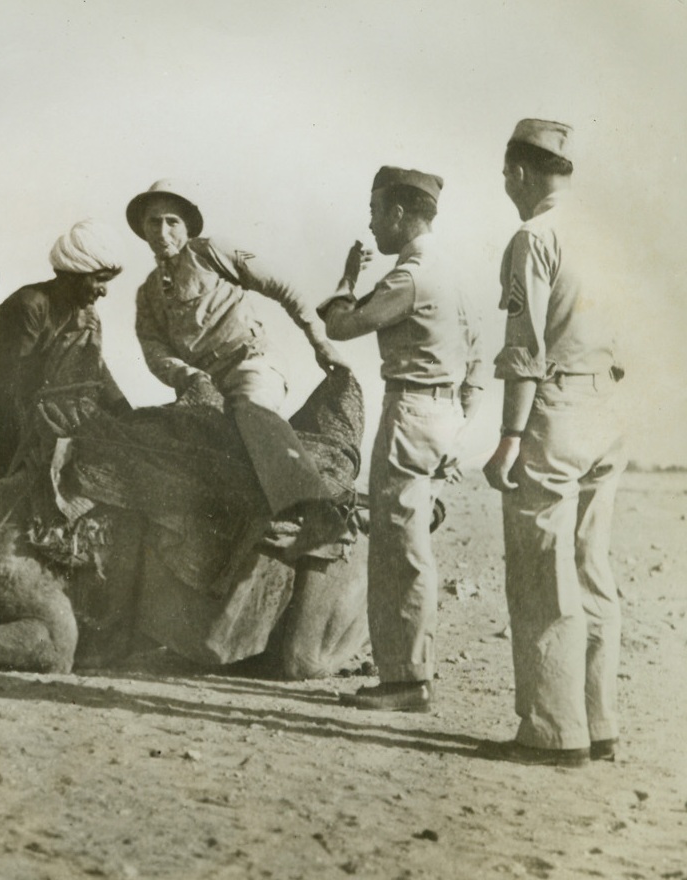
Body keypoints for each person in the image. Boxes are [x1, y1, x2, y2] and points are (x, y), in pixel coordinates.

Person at [481, 120, 625, 767]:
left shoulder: (531, 238)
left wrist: (509, 437)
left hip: (558, 408)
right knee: (593, 565)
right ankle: (601, 723)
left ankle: (552, 731)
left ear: (518, 172)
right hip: (609, 407)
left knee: (543, 571)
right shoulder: (602, 234)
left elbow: (523, 351)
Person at [318, 166, 485, 712]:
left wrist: (346, 279)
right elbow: (478, 358)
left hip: (409, 410)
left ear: (397, 213)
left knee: (397, 553)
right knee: (413, 548)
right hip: (442, 418)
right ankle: (410, 673)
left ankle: (405, 680)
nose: (371, 223)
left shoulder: (410, 276)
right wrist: (460, 422)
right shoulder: (454, 273)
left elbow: (341, 326)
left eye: (375, 212)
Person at [128, 179, 347, 514]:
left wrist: (318, 340)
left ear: (187, 227)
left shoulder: (211, 251)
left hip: (250, 364)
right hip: (202, 385)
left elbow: (281, 285)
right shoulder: (148, 293)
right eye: (153, 222)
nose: (162, 230)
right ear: (143, 229)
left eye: (172, 221)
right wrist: (187, 375)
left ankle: (314, 509)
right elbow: (154, 349)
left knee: (251, 410)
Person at [0, 218, 131, 479]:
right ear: (74, 274)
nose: (104, 291)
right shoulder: (32, 305)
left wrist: (125, 414)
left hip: (22, 409)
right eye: (99, 279)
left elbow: (96, 368)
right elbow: (16, 378)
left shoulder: (84, 313)